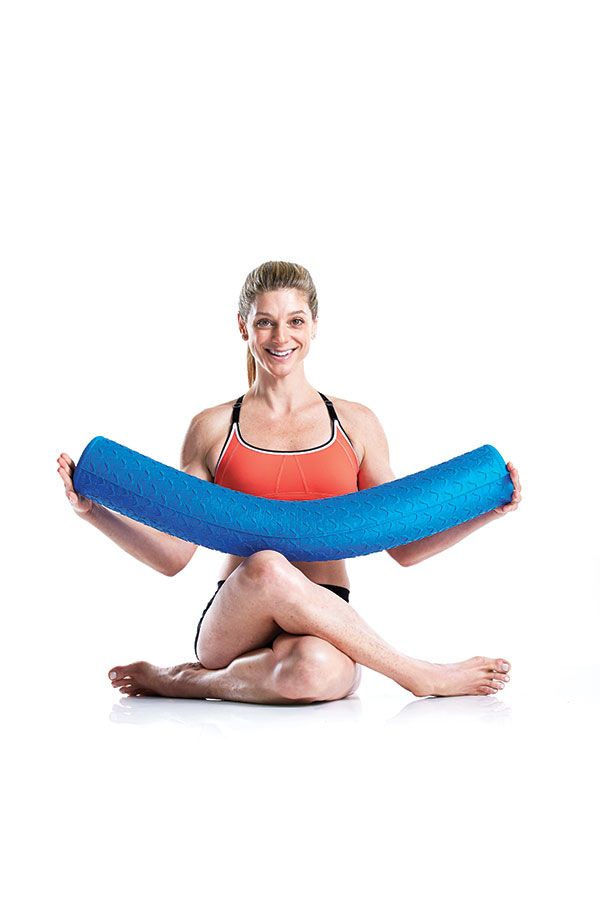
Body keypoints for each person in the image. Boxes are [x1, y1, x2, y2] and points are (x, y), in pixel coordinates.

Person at [57, 260, 521, 705]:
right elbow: (173, 555)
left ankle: (185, 682)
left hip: (327, 613)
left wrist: (484, 512)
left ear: (315, 325)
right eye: (265, 323)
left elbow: (403, 544)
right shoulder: (214, 428)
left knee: (312, 672)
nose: (281, 337)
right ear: (243, 326)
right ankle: (418, 674)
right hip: (238, 612)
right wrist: (92, 511)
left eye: (295, 321)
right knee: (269, 565)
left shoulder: (355, 424)